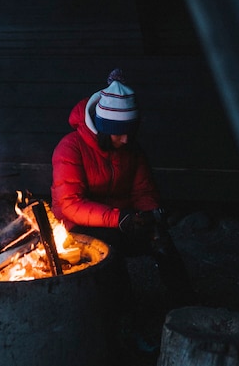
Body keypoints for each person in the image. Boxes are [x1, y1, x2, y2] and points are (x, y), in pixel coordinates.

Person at [51, 68, 195, 306]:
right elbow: (70, 205)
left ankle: (187, 308)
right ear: (104, 129)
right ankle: (126, 317)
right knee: (111, 250)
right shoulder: (70, 148)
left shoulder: (131, 149)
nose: (126, 140)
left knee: (161, 241)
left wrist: (151, 216)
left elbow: (143, 191)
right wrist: (118, 219)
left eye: (130, 131)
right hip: (80, 224)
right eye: (119, 134)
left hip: (123, 219)